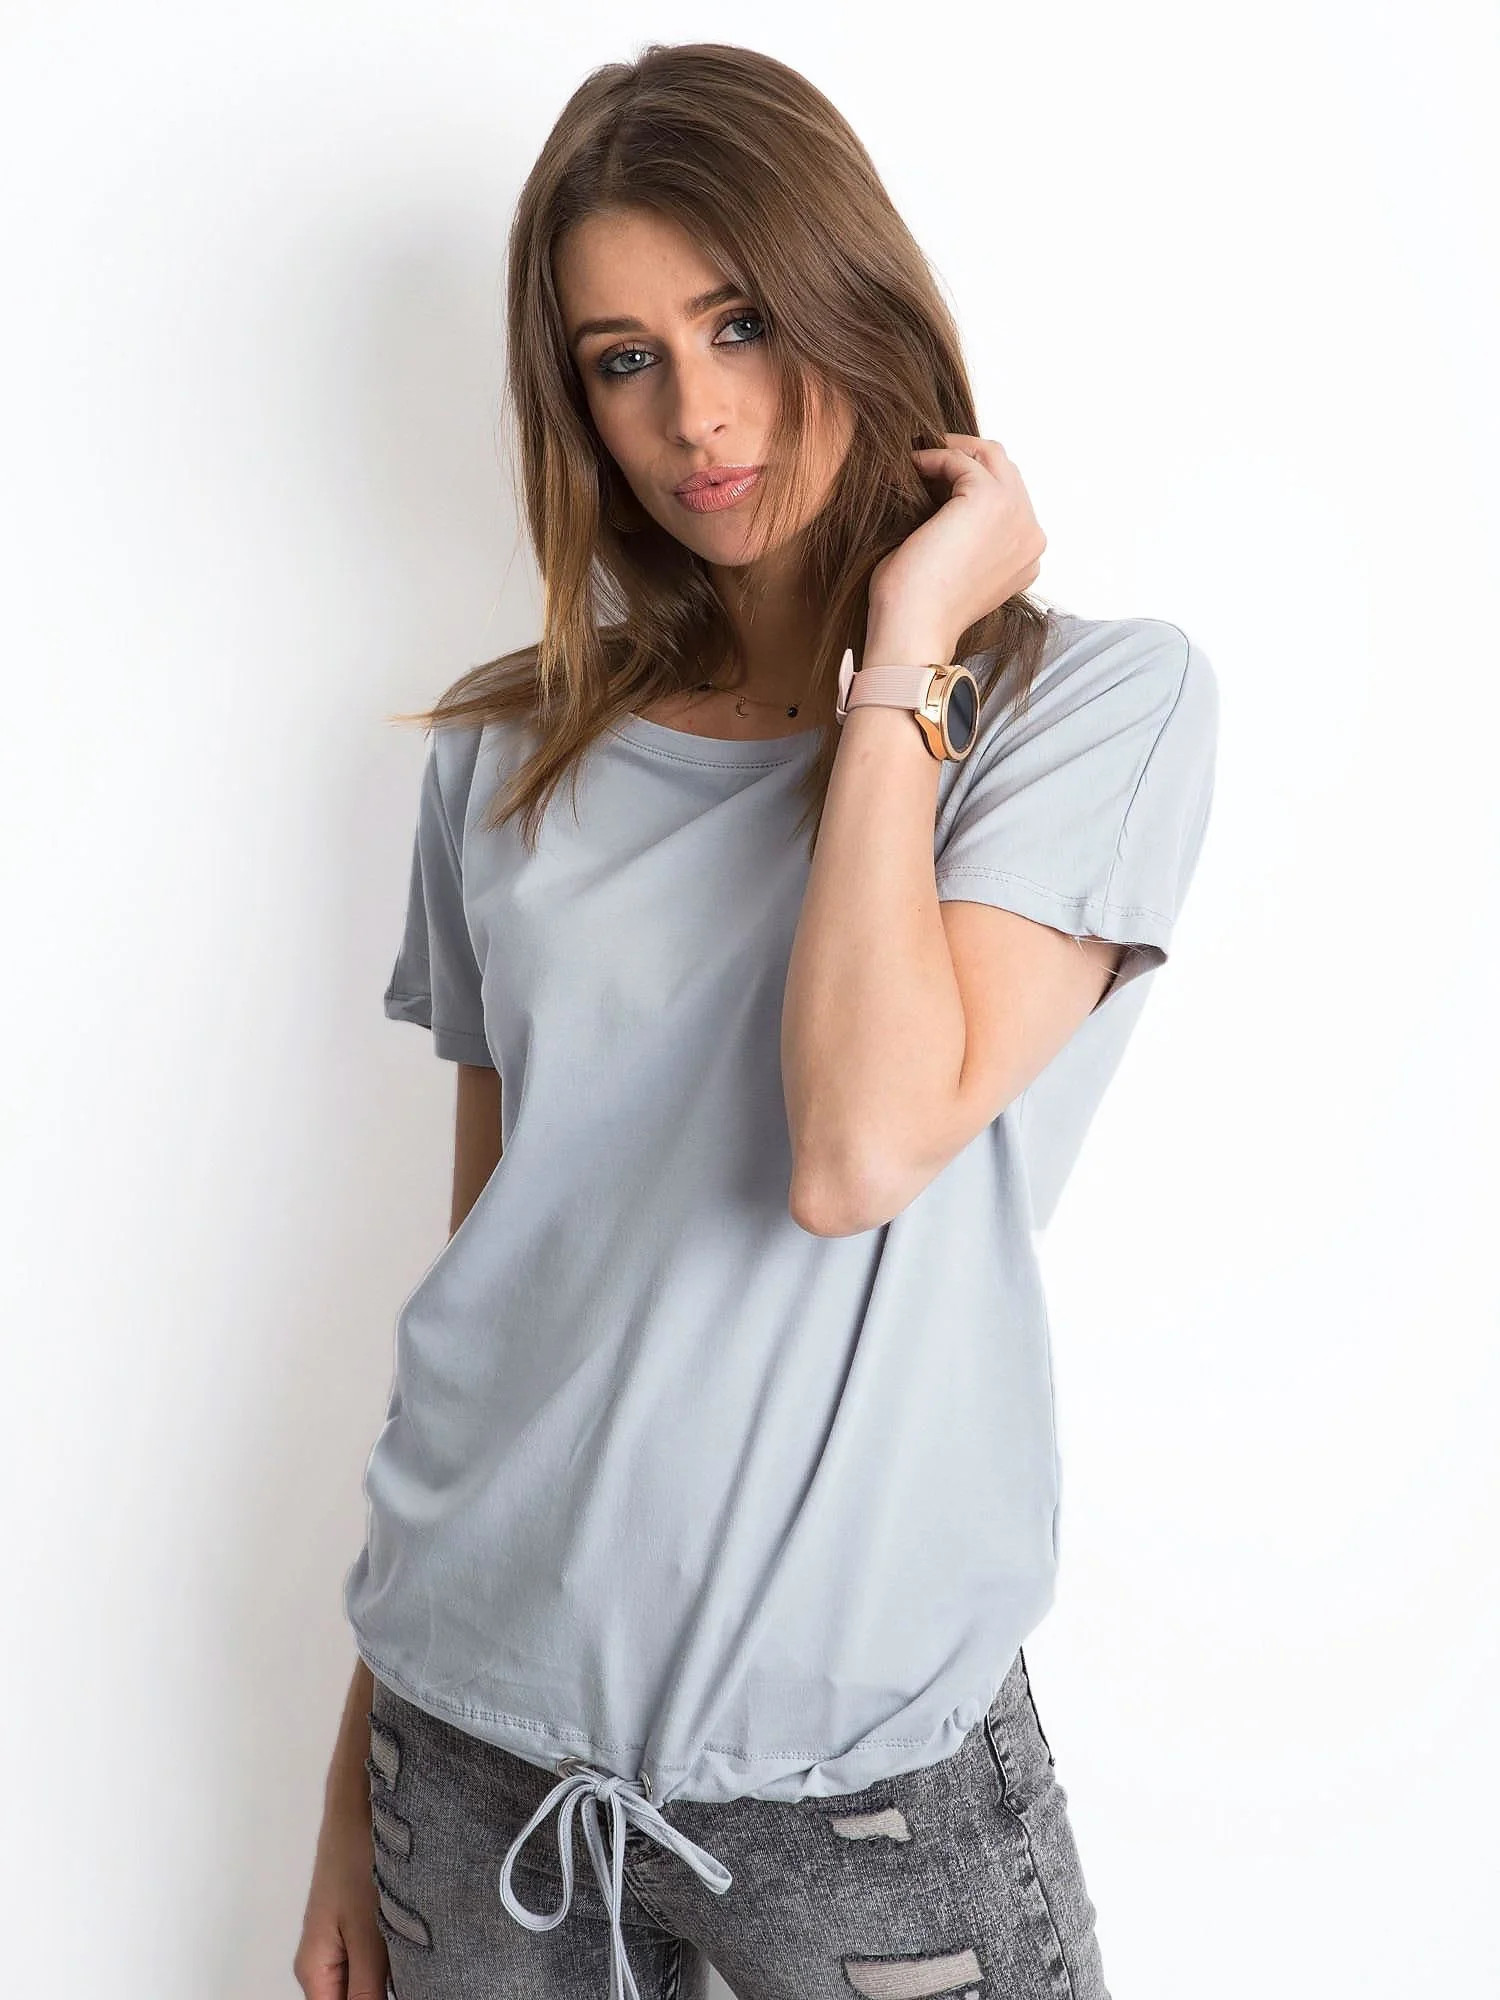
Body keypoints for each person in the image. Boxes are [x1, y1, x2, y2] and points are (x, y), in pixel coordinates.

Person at [295, 39, 1218, 2000]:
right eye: (623, 359)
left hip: (860, 1798)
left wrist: (908, 647)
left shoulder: (1088, 714)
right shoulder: (509, 756)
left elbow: (859, 1144)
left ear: (848, 299)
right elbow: (492, 1280)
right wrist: (352, 1767)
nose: (697, 416)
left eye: (739, 323)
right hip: (467, 1744)